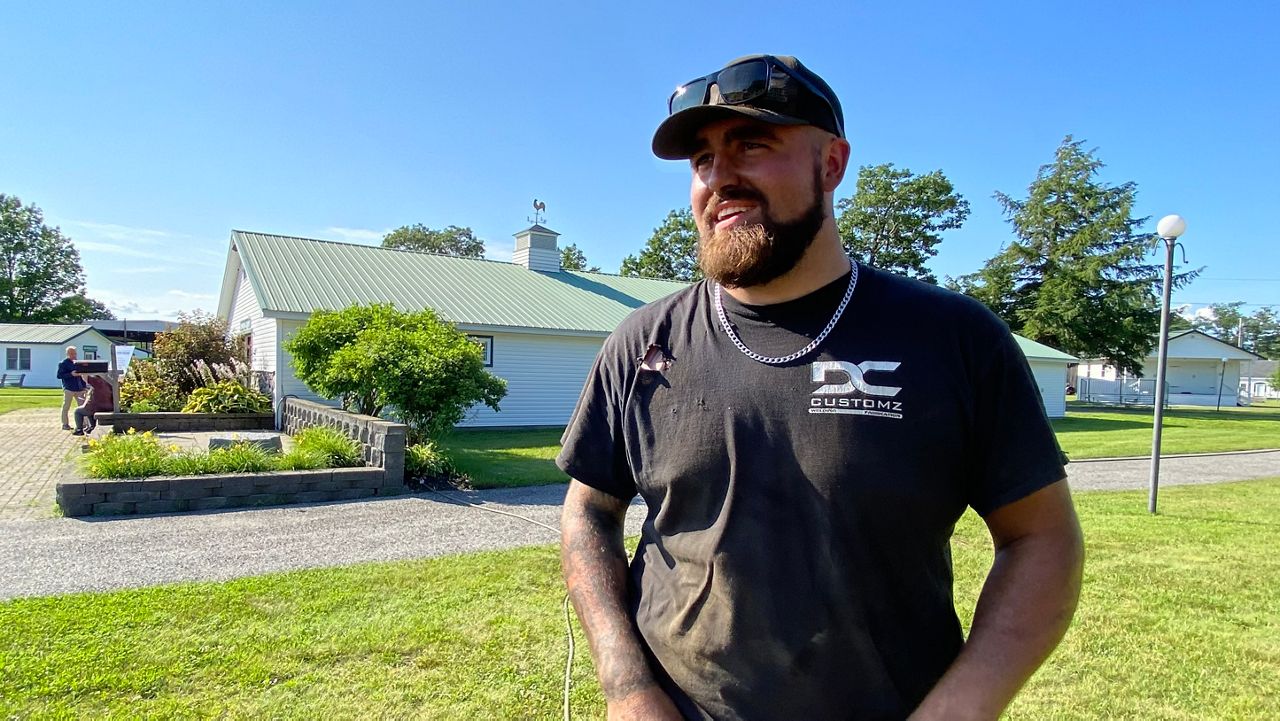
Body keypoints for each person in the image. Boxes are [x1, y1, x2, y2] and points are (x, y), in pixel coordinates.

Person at [557, 55, 1084, 721]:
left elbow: (1042, 538)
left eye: (752, 144)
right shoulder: (641, 344)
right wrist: (627, 687)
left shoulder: (953, 339)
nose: (720, 176)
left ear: (832, 164)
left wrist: (961, 706)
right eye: (702, 158)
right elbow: (588, 511)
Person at [57, 346, 87, 431]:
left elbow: (82, 376)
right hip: (69, 388)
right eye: (71, 353)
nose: (74, 355)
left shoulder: (78, 363)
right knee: (66, 407)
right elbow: (59, 375)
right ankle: (65, 424)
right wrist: (71, 374)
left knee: (83, 407)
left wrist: (84, 386)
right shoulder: (63, 363)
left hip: (79, 388)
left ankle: (83, 424)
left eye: (75, 353)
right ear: (67, 354)